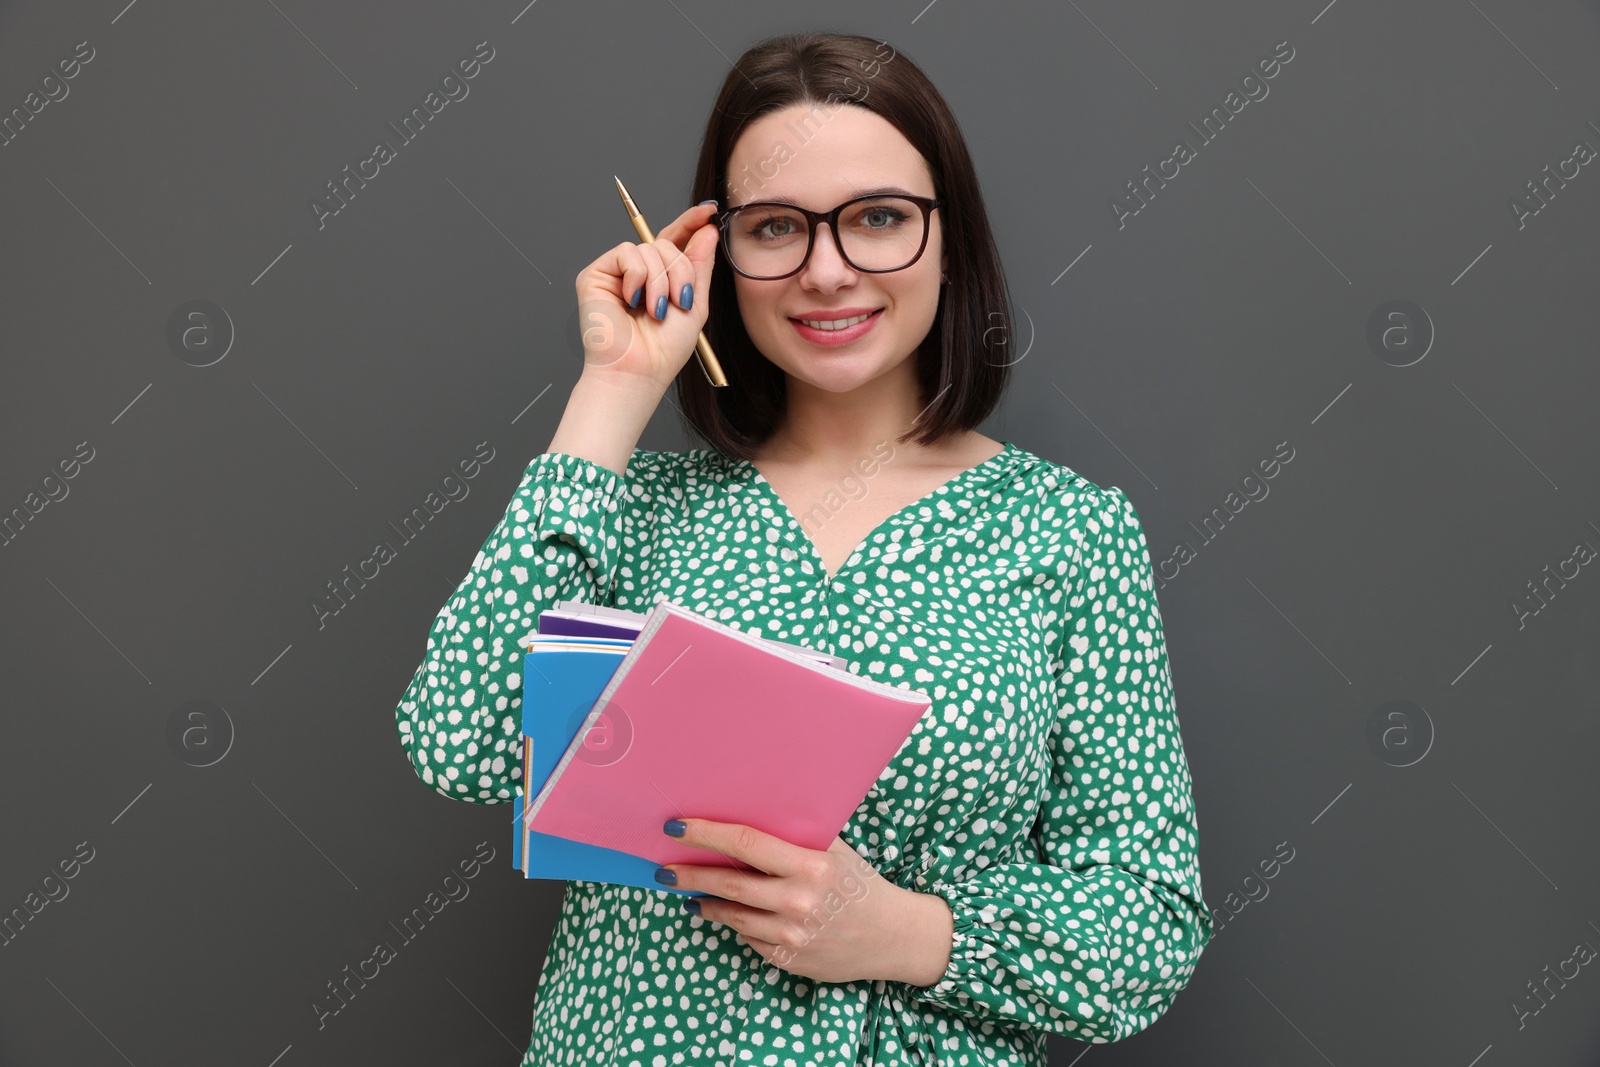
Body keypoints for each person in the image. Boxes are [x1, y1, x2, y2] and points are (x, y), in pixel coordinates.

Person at [393, 30, 1212, 1067]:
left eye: (877, 218)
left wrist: (907, 932)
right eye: (776, 227)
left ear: (948, 236)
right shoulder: (630, 506)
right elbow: (455, 742)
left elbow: (1145, 928)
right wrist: (611, 392)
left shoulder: (1068, 533)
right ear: (720, 249)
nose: (827, 272)